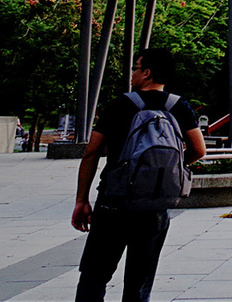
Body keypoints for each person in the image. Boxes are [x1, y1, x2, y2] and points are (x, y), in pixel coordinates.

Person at [72, 48, 206, 302]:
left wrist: (82, 200)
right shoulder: (179, 106)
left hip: (114, 202)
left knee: (94, 276)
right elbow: (199, 150)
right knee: (139, 284)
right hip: (154, 206)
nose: (132, 74)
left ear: (146, 73)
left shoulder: (119, 105)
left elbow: (91, 153)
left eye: (135, 68)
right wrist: (171, 168)